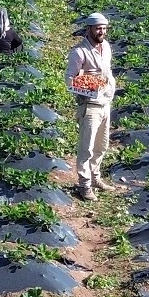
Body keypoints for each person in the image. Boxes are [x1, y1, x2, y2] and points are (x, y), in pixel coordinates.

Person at [65, 11, 116, 201]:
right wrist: (88, 84)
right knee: (86, 148)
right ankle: (84, 185)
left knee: (101, 146)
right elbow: (69, 80)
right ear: (89, 29)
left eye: (104, 28)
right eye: (98, 28)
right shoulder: (79, 52)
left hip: (105, 103)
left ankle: (96, 178)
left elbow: (108, 71)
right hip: (90, 105)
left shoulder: (107, 47)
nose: (102, 31)